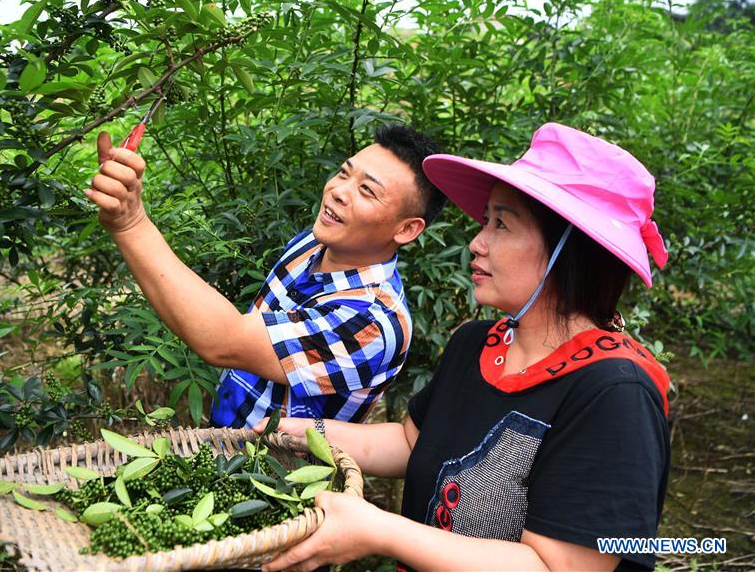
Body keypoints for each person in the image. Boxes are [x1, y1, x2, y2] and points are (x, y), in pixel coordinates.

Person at [256, 122, 671, 571]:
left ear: (567, 254)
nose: (476, 242)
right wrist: (310, 433)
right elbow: (413, 441)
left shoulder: (614, 394)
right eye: (484, 222)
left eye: (501, 225)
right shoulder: (477, 345)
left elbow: (561, 567)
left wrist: (379, 530)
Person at [85, 125, 445, 429]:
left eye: (367, 190)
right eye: (344, 173)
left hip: (278, 485)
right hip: (226, 438)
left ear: (407, 229)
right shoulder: (312, 244)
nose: (338, 190)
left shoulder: (372, 322)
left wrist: (130, 223)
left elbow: (225, 342)